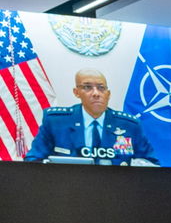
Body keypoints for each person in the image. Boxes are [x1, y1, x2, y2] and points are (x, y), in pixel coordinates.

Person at [26, 68, 157, 164]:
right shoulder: (56, 122)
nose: (96, 93)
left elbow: (151, 163)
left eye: (101, 88)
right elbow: (33, 161)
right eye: (87, 87)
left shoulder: (129, 126)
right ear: (76, 92)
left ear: (108, 94)